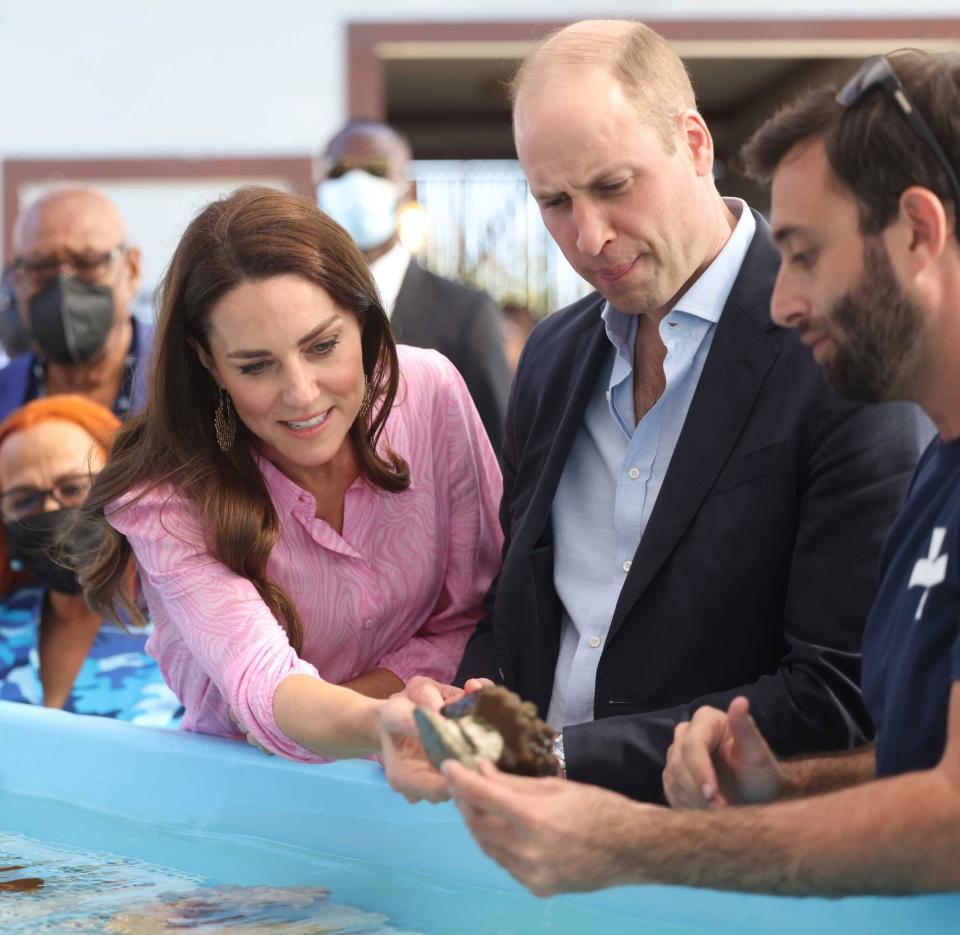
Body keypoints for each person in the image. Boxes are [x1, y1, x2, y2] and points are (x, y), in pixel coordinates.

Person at [441, 48, 960, 897]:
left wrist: (626, 829)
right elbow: (911, 755)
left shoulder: (852, 369)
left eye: (805, 252)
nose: (589, 235)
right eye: (554, 203)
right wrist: (475, 719)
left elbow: (905, 765)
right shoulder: (552, 355)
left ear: (693, 144)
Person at [74, 186, 502, 762]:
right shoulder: (165, 494)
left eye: (323, 346)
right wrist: (387, 713)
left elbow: (478, 612)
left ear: (364, 319)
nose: (301, 395)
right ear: (209, 364)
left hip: (421, 769)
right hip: (247, 794)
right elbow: (259, 684)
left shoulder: (431, 393)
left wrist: (366, 712)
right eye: (256, 366)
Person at [317, 119, 511, 452]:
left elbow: (496, 449)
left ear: (407, 187)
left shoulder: (466, 314)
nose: (356, 184)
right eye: (339, 173)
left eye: (376, 170)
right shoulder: (298, 307)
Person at [0, 395, 181, 726]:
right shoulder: (6, 623)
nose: (51, 511)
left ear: (123, 486)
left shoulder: (190, 622)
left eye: (72, 488)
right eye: (24, 500)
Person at [0, 188, 151, 422]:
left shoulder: (189, 381)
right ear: (17, 278)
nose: (63, 285)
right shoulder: (5, 398)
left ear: (131, 269)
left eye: (87, 262)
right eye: (41, 266)